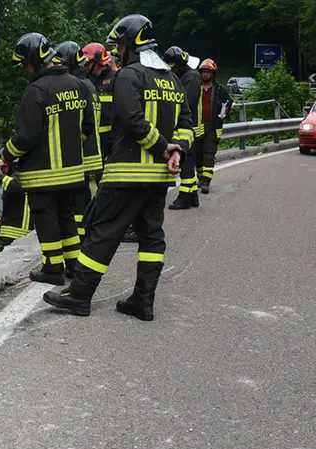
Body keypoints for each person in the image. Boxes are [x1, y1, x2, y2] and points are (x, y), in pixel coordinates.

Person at [43, 14, 194, 321]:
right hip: (159, 178)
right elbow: (187, 126)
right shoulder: (173, 80)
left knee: (103, 230)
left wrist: (164, 147)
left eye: (120, 45)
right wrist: (176, 151)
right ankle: (143, 300)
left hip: (127, 173)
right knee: (151, 235)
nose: (117, 51)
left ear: (130, 44)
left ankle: (80, 295)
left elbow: (132, 120)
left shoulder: (129, 76)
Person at [2, 32, 96, 286]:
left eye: (24, 63)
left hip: (43, 173)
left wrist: (6, 155)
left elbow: (25, 137)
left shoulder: (35, 91)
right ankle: (74, 265)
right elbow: (88, 126)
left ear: (33, 59)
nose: (24, 69)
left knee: (46, 220)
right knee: (67, 218)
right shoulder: (77, 85)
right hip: (73, 172)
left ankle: (52, 268)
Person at [83, 42, 137, 243]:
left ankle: (130, 225)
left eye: (88, 62)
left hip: (114, 142)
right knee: (99, 186)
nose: (86, 66)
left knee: (120, 186)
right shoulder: (89, 81)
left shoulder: (116, 79)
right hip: (96, 144)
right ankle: (101, 223)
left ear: (98, 60)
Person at [53, 41, 102, 246]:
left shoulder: (79, 85)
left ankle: (85, 240)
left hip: (84, 154)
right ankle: (87, 236)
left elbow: (82, 125)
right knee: (86, 199)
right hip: (92, 152)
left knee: (81, 203)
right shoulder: (88, 84)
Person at [163, 46, 203, 210]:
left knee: (185, 162)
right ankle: (192, 195)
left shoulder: (191, 77)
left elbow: (184, 102)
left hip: (188, 127)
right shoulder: (186, 75)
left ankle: (185, 197)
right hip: (188, 126)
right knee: (189, 160)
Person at [197, 58, 233, 193]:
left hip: (213, 126)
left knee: (208, 153)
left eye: (208, 72)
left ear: (213, 74)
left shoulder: (218, 90)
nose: (205, 74)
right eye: (203, 72)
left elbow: (229, 102)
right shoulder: (196, 88)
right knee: (198, 153)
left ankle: (206, 181)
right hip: (198, 126)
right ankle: (200, 177)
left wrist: (224, 112)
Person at [0, 156, 32, 249]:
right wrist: (5, 216)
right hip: (11, 229)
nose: (2, 170)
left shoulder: (19, 174)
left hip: (17, 232)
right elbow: (15, 200)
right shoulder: (13, 175)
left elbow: (14, 186)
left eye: (2, 167)